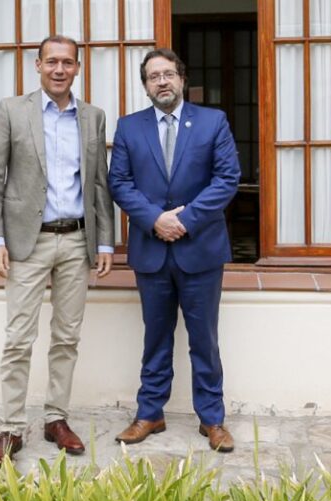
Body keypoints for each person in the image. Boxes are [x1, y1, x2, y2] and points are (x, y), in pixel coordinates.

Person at [0, 35, 114, 462]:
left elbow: (99, 183)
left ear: (78, 68)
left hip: (76, 240)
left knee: (67, 337)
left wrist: (104, 241)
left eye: (67, 63)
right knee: (19, 338)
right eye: (52, 61)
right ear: (37, 65)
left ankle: (56, 419)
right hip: (27, 243)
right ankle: (11, 428)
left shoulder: (93, 117)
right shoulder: (12, 111)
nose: (59, 69)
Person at [108, 48, 240, 452]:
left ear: (182, 78)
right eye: (153, 76)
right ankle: (150, 413)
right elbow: (119, 183)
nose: (161, 81)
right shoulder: (129, 127)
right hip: (151, 251)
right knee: (156, 338)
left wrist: (184, 220)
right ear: (145, 86)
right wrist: (155, 219)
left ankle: (212, 419)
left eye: (168, 74)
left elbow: (227, 178)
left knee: (204, 340)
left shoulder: (213, 122)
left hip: (200, 250)